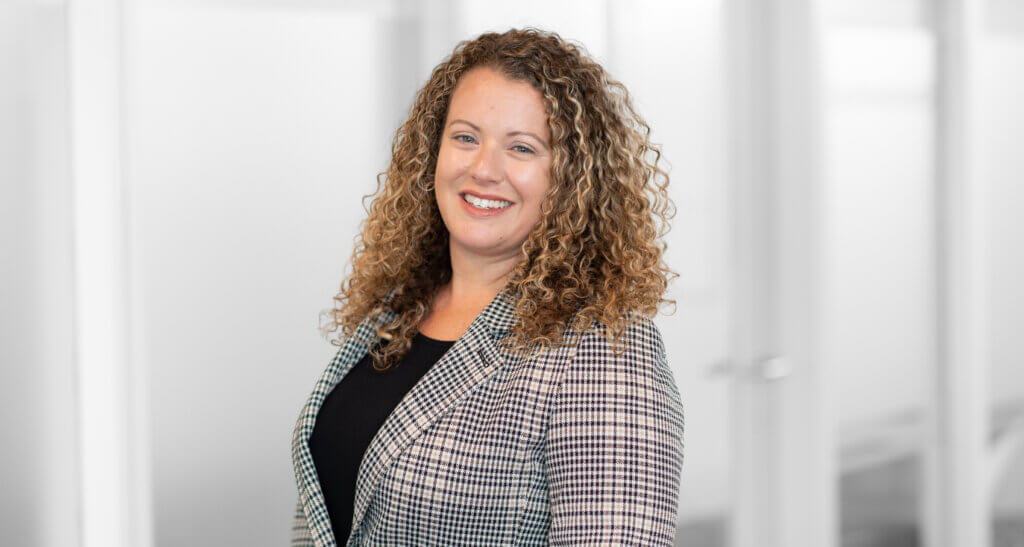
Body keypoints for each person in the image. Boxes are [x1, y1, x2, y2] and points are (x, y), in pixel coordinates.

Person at [290, 27, 684, 546]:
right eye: (466, 137)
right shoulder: (396, 312)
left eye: (521, 148)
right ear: (432, 151)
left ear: (570, 181)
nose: (483, 168)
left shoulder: (603, 350)